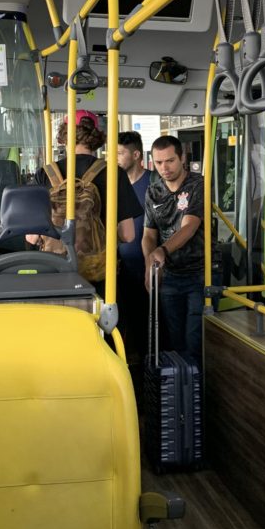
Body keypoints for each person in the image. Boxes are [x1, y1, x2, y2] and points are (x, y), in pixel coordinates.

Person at [31, 111, 142, 293]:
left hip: (54, 270)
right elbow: (128, 234)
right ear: (96, 136)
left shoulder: (44, 174)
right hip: (96, 273)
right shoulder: (114, 173)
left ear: (64, 135)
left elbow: (32, 236)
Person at [143, 136, 205, 363]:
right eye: (158, 163)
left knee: (195, 339)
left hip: (200, 273)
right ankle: (182, 389)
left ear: (182, 158)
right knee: (176, 340)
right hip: (170, 276)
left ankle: (197, 392)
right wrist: (149, 264)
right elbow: (148, 235)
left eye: (169, 161)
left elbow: (189, 226)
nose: (164, 168)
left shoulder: (198, 185)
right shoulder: (153, 191)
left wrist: (162, 251)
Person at [116, 131, 151, 360]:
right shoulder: (115, 184)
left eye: (120, 153)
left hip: (147, 265)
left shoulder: (153, 182)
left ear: (136, 154)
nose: (115, 158)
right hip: (122, 266)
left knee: (147, 322)